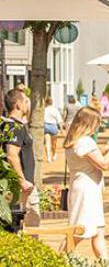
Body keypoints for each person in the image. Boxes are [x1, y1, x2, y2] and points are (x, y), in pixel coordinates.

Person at [62, 106, 109, 258]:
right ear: (89, 123)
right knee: (78, 231)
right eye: (96, 124)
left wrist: (103, 150)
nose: (97, 127)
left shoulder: (74, 140)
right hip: (86, 191)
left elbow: (90, 159)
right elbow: (104, 165)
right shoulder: (84, 142)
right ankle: (58, 261)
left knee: (98, 231)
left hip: (86, 188)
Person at [1, 89, 40, 229]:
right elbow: (12, 154)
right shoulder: (16, 127)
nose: (27, 105)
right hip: (22, 187)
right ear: (18, 105)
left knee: (17, 226)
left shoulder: (8, 125)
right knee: (30, 227)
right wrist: (22, 180)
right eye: (25, 101)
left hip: (16, 184)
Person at [43, 97, 63, 162]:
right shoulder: (55, 110)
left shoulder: (44, 110)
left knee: (47, 143)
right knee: (54, 144)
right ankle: (54, 155)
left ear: (46, 102)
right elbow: (59, 120)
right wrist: (61, 129)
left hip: (46, 126)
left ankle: (49, 157)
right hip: (53, 126)